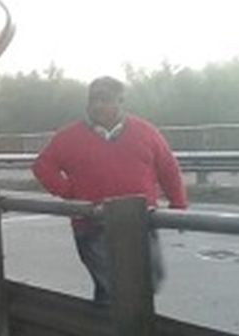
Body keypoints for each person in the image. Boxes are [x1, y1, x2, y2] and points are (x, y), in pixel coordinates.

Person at [32, 76, 187, 304]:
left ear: (120, 101)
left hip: (141, 222)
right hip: (93, 225)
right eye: (93, 100)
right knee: (116, 289)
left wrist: (178, 207)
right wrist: (70, 191)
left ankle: (114, 334)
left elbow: (168, 169)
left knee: (147, 282)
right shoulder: (69, 136)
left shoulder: (145, 132)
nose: (97, 105)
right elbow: (42, 166)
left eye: (105, 99)